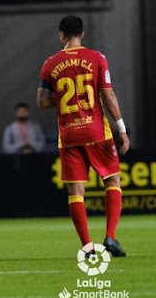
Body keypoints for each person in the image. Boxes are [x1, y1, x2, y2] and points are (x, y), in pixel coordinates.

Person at [37, 15, 130, 257]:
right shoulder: (97, 58)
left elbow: (42, 101)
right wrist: (121, 129)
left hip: (68, 135)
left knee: (76, 193)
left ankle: (87, 246)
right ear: (83, 34)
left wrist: (65, 95)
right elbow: (108, 96)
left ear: (61, 35)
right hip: (97, 131)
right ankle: (110, 237)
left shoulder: (50, 64)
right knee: (112, 181)